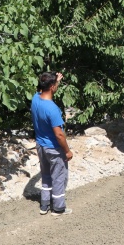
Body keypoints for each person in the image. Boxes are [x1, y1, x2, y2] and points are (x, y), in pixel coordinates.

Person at [32, 71, 73, 216]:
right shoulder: (52, 109)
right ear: (51, 86)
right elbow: (59, 135)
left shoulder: (35, 99)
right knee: (58, 177)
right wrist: (67, 151)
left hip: (41, 146)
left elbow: (44, 89)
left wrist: (57, 80)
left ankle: (44, 205)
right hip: (54, 149)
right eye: (55, 84)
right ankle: (59, 208)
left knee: (46, 175)